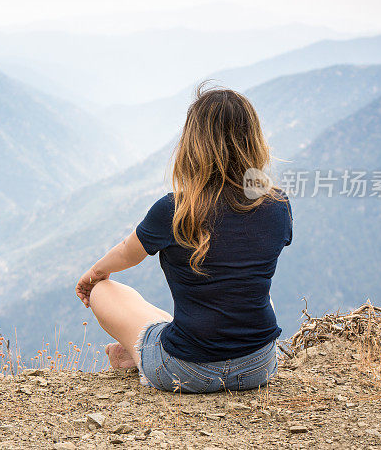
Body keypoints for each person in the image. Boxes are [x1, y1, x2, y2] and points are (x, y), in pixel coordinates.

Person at [75, 85, 292, 393]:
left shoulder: (176, 209)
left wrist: (95, 274)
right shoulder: (277, 205)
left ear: (193, 143)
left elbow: (128, 252)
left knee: (102, 291)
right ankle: (141, 352)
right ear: (253, 140)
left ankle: (143, 354)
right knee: (255, 290)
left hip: (187, 371)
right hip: (258, 366)